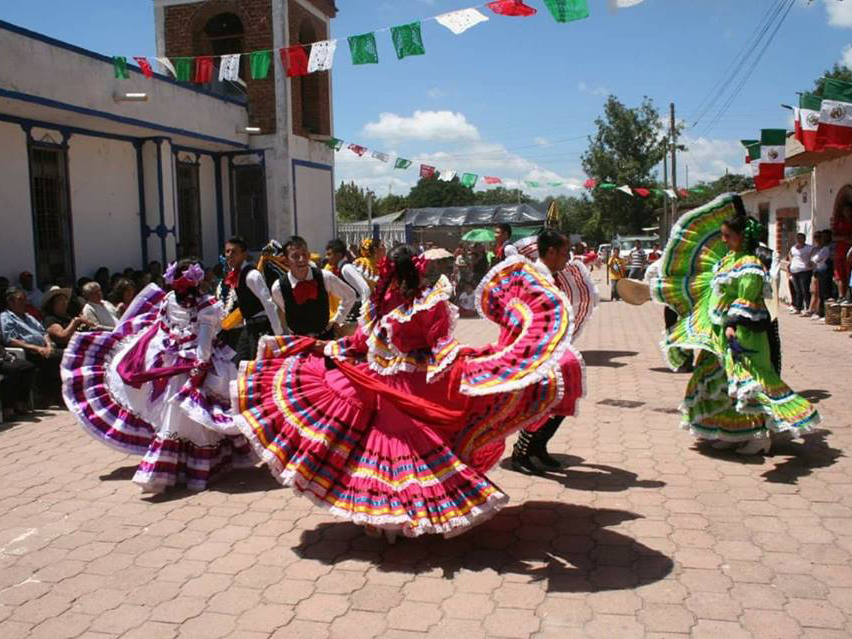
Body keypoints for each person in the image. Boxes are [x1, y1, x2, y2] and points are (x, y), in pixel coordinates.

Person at [232, 245, 584, 540]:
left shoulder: (384, 297)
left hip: (381, 381)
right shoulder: (425, 303)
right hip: (407, 384)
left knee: (371, 449)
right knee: (402, 450)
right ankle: (394, 519)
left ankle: (380, 519)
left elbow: (362, 340)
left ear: (389, 271)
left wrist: (329, 349)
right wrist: (463, 358)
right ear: (417, 271)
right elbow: (436, 347)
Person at [61, 260, 254, 493]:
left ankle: (176, 467)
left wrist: (168, 350)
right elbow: (203, 344)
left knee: (176, 417)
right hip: (192, 365)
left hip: (169, 362)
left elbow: (163, 328)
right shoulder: (206, 305)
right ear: (197, 280)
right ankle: (183, 470)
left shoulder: (170, 299)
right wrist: (199, 365)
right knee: (190, 418)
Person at [652, 194, 819, 455]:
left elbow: (748, 298)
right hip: (723, 336)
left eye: (728, 236)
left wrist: (731, 324)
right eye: (723, 235)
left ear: (742, 237)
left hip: (744, 335)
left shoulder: (749, 264)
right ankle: (733, 432)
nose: (723, 240)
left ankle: (761, 436)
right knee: (722, 382)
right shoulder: (727, 261)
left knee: (752, 383)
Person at [509, 230, 598, 473]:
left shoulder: (550, 275)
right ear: (550, 252)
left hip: (549, 345)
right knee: (542, 398)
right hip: (532, 348)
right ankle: (520, 452)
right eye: (564, 252)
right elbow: (521, 316)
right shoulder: (532, 277)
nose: (568, 257)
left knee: (568, 388)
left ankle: (538, 445)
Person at [271, 236, 356, 338]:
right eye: (295, 256)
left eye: (304, 254)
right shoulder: (278, 288)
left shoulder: (325, 277)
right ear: (286, 260)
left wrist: (337, 320)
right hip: (298, 343)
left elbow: (350, 295)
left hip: (326, 339)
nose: (302, 259)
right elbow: (287, 311)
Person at [222, 236, 283, 361]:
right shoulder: (236, 274)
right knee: (240, 362)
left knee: (257, 365)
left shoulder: (251, 275)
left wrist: (278, 334)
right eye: (227, 251)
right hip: (249, 327)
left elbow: (269, 303)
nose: (229, 255)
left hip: (261, 326)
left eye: (234, 252)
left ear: (244, 255)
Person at [1, 287, 63, 407]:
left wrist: (49, 345)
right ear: (10, 302)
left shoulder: (28, 317)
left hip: (44, 348)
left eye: (25, 299)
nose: (25, 302)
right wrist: (36, 348)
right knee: (58, 358)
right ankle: (50, 396)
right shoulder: (5, 318)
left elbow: (43, 332)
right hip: (28, 351)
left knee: (66, 356)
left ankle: (56, 395)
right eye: (20, 300)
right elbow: (10, 340)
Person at [325, 238, 372, 322]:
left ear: (338, 255)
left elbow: (365, 289)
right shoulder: (339, 268)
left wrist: (365, 314)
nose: (327, 257)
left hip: (357, 311)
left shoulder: (346, 268)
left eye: (329, 254)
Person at [0, 344, 36, 420]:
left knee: (28, 367)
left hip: (4, 357)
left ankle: (20, 402)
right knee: (12, 370)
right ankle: (7, 408)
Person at [787, 233, 814, 314]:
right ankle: (798, 307)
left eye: (801, 238)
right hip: (795, 271)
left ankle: (808, 308)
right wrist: (791, 261)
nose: (799, 240)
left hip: (804, 271)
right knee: (797, 290)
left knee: (805, 290)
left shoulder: (808, 248)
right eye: (798, 238)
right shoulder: (794, 248)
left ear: (804, 239)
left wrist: (811, 261)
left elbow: (814, 253)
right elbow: (790, 254)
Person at [811, 230, 833, 320]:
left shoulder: (826, 248)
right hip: (820, 271)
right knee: (820, 293)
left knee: (825, 293)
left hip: (825, 272)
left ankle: (825, 314)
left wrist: (816, 258)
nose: (822, 239)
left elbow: (816, 259)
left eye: (824, 237)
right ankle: (820, 312)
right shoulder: (823, 248)